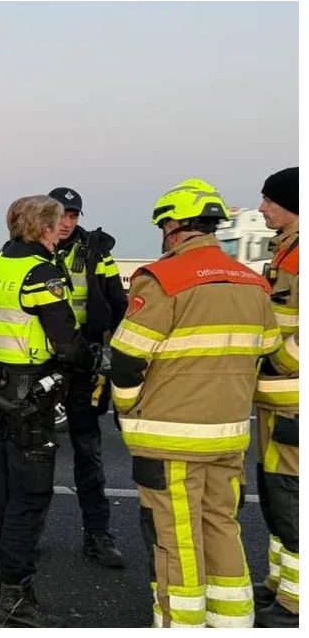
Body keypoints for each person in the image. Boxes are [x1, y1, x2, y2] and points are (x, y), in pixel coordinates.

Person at [108, 178, 281, 628]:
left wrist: (125, 410)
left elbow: (127, 360)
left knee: (175, 537)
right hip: (228, 433)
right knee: (222, 527)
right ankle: (232, 621)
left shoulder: (164, 278)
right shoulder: (253, 281)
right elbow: (269, 350)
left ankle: (180, 625)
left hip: (169, 437)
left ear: (173, 226)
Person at [0, 194, 95, 628]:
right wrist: (89, 359)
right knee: (30, 495)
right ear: (43, 228)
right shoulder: (40, 273)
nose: (61, 229)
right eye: (56, 223)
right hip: (28, 399)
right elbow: (66, 340)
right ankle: (16, 598)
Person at [48, 186, 129, 569]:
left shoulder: (96, 252)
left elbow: (118, 303)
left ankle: (98, 536)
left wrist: (96, 345)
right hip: (42, 363)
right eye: (61, 214)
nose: (67, 222)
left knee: (88, 452)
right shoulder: (30, 247)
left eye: (73, 215)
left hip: (83, 362)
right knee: (34, 453)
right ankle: (25, 535)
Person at [251, 166, 299, 628]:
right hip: (277, 397)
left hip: (293, 397)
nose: (262, 208)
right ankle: (280, 587)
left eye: (269, 200)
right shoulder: (286, 250)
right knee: (276, 494)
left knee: (291, 495)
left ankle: (296, 605)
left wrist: (277, 361)